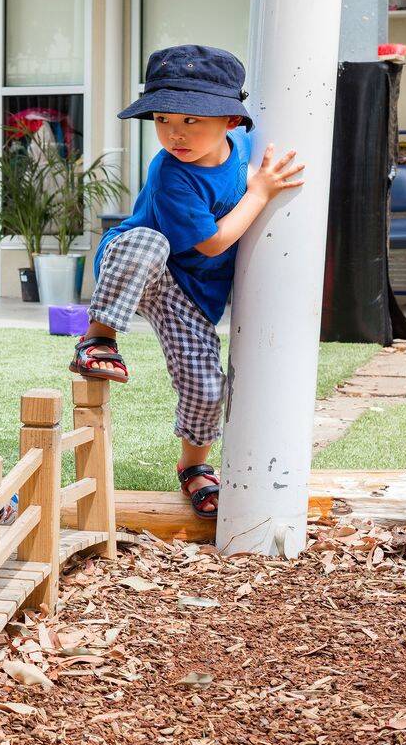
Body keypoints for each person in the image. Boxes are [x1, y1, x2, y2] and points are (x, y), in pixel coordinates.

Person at [70, 45, 305, 520]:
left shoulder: (247, 152)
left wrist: (256, 181)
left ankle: (193, 467)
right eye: (163, 119)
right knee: (148, 243)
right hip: (139, 268)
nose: (174, 134)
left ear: (231, 121)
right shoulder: (171, 173)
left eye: (191, 121)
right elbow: (215, 244)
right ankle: (98, 340)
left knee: (206, 388)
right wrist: (260, 192)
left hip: (192, 299)